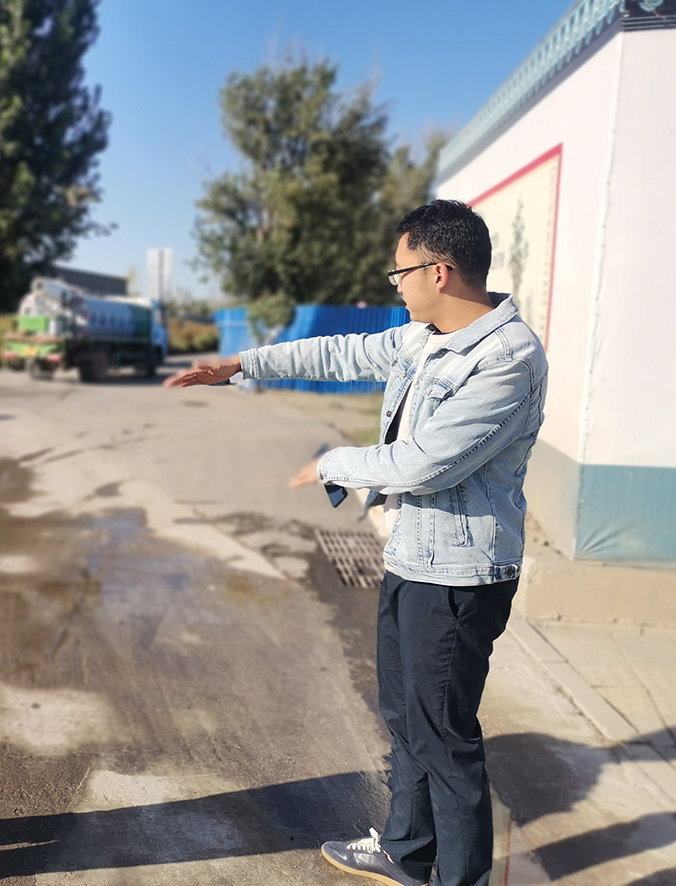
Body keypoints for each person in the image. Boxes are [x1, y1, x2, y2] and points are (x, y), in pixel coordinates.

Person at [165, 199, 547, 886]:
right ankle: (406, 851)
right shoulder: (422, 337)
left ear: (439, 271)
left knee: (443, 738)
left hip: (459, 575)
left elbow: (426, 463)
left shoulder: (506, 357)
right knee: (404, 717)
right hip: (411, 558)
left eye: (399, 272)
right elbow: (337, 351)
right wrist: (240, 365)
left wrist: (334, 462)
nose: (393, 285)